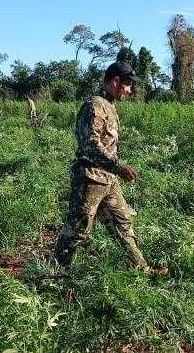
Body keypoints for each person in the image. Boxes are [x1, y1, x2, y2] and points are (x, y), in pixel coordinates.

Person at [54, 61, 162, 274]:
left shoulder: (109, 106)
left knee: (123, 223)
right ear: (115, 81)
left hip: (108, 179)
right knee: (77, 231)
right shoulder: (94, 106)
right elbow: (90, 144)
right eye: (128, 84)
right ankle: (52, 274)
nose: (130, 90)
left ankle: (141, 269)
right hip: (91, 178)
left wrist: (115, 170)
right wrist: (119, 167)